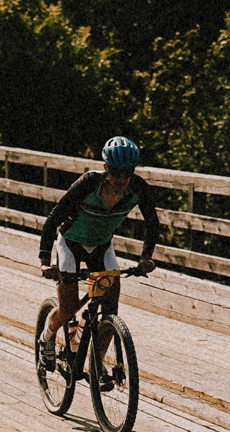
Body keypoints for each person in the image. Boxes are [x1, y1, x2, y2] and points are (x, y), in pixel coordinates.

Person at [39, 136, 161, 365]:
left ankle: (97, 364)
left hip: (102, 246)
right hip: (71, 244)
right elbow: (53, 219)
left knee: (110, 309)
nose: (122, 179)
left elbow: (152, 222)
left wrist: (146, 257)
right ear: (106, 168)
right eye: (116, 172)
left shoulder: (138, 187)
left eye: (128, 173)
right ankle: (47, 337)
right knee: (66, 309)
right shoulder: (88, 183)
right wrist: (45, 260)